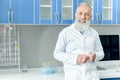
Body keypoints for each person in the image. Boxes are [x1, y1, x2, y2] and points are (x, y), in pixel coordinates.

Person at [53, 3, 104, 80]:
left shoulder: (94, 33)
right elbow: (57, 53)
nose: (83, 17)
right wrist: (76, 58)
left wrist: (95, 56)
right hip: (73, 77)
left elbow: (101, 53)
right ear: (75, 15)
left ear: (90, 17)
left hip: (91, 77)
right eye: (80, 13)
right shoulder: (65, 32)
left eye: (87, 14)